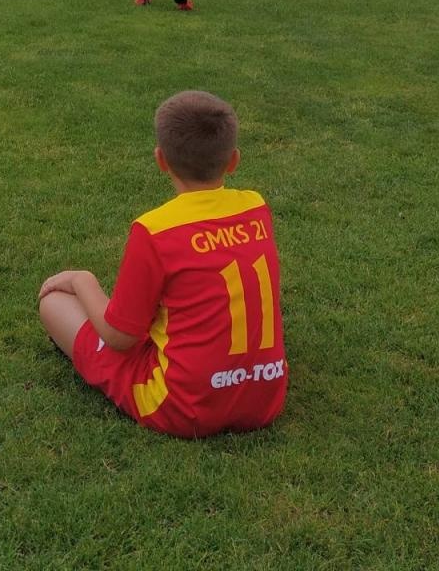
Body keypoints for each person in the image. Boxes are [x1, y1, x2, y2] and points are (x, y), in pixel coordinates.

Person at [37, 90, 287, 439]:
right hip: (265, 398)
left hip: (183, 407)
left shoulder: (155, 230)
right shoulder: (256, 207)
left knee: (54, 304)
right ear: (233, 161)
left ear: (161, 160)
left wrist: (83, 280)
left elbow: (119, 338)